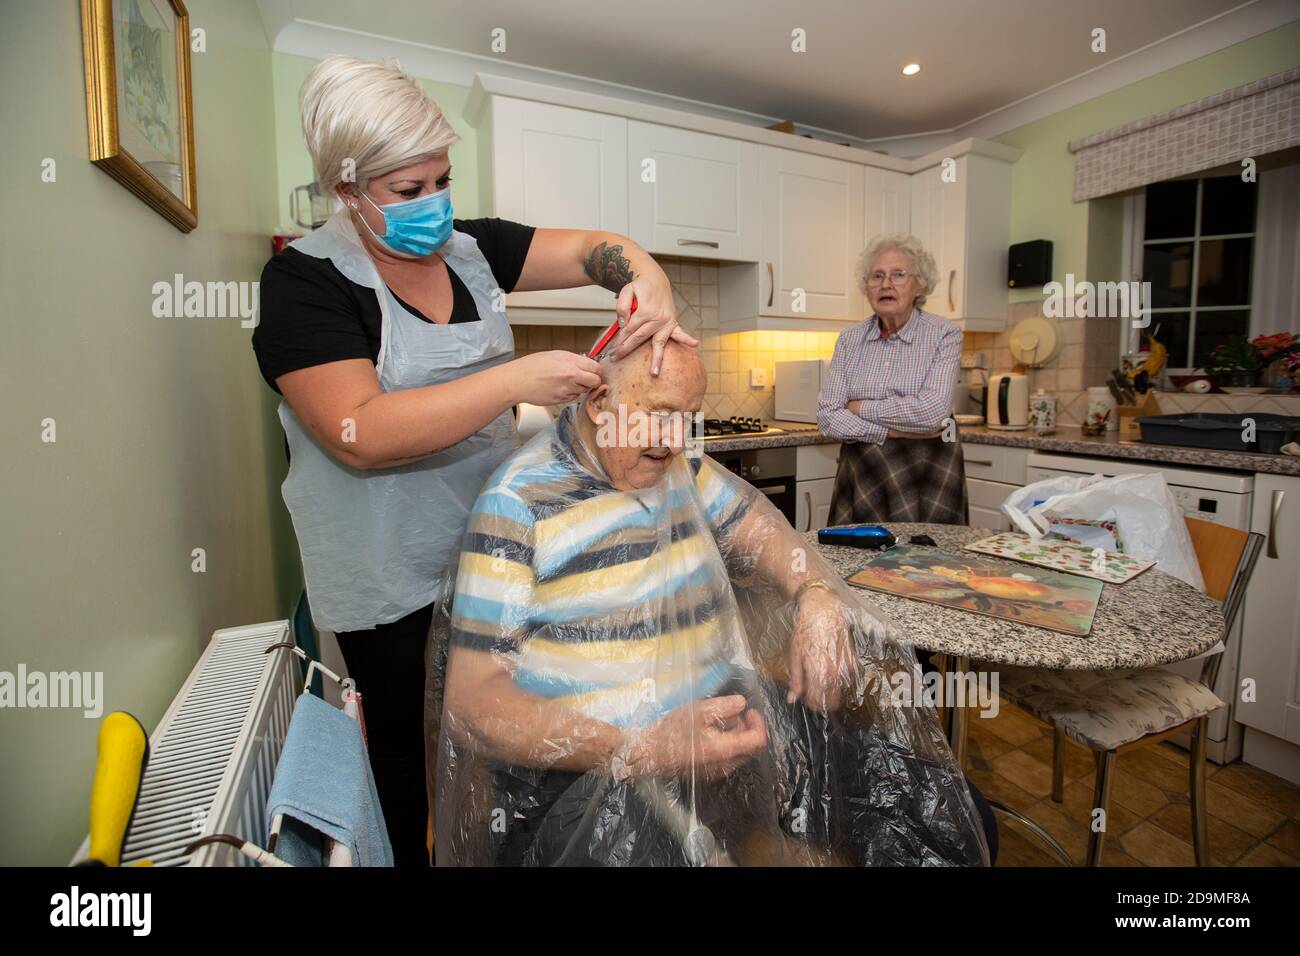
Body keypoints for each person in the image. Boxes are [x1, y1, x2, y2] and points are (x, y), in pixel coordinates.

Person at [251, 56, 696, 865]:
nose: (435, 205)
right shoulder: (301, 285)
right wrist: (515, 380)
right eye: (406, 190)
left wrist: (647, 282)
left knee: (502, 740)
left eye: (442, 179)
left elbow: (604, 249)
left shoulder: (474, 252)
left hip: (490, 557)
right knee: (406, 764)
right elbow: (362, 431)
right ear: (346, 192)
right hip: (385, 578)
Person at [431, 338, 997, 866]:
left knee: (948, 814)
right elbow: (474, 703)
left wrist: (817, 596)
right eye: (658, 413)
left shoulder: (683, 469)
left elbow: (764, 534)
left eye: (687, 417)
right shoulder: (516, 504)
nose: (676, 439)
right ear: (599, 401)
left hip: (723, 726)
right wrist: (639, 747)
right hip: (596, 769)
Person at [818, 234, 967, 525]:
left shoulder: (944, 334)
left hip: (928, 468)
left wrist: (858, 408)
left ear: (919, 285)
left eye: (898, 275)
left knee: (929, 562)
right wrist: (891, 432)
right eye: (877, 276)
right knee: (855, 561)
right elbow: (827, 417)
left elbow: (931, 414)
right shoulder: (850, 340)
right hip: (865, 471)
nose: (886, 284)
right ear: (867, 287)